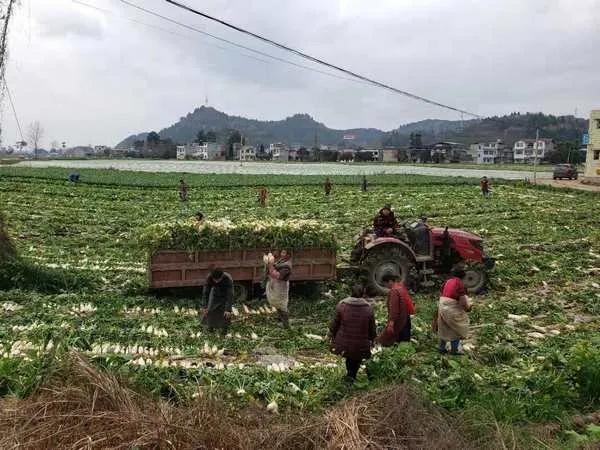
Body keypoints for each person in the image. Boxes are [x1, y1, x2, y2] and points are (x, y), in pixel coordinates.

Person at [329, 284, 377, 382]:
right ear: (363, 293)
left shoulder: (342, 305)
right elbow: (371, 328)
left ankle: (350, 376)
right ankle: (352, 375)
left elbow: (335, 324)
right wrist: (373, 339)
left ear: (351, 292)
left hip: (344, 342)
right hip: (361, 343)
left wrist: (331, 335)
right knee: (356, 359)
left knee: (349, 358)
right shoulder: (368, 308)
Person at [437, 266, 472, 355]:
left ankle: (441, 348)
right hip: (451, 306)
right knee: (458, 327)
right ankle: (454, 350)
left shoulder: (448, 281)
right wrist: (467, 308)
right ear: (463, 276)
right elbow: (463, 301)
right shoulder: (459, 283)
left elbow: (441, 293)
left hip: (442, 304)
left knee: (443, 327)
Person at [377, 274, 415, 346]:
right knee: (405, 340)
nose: (386, 286)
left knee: (397, 339)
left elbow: (394, 309)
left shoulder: (394, 291)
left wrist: (391, 322)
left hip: (399, 319)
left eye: (385, 283)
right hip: (406, 317)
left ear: (390, 281)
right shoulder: (401, 287)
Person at [201, 268, 234, 334]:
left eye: (218, 280)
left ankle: (224, 330)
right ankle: (210, 328)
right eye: (214, 280)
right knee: (210, 310)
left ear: (222, 277)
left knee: (226, 313)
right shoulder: (209, 278)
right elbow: (206, 293)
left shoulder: (228, 279)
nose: (216, 281)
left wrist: (228, 309)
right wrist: (204, 306)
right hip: (215, 292)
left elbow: (230, 295)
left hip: (225, 294)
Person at [265, 249, 292, 328]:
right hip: (277, 286)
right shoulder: (281, 261)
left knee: (282, 306)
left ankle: (286, 325)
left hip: (281, 287)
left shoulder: (287, 266)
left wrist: (270, 266)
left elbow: (278, 276)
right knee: (277, 304)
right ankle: (281, 321)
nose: (282, 254)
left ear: (288, 255)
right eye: (282, 252)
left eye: (284, 253)